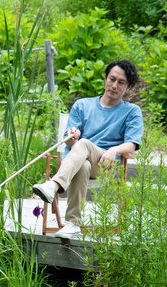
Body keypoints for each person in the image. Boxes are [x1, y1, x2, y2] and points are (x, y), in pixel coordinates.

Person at [32, 60, 143, 237]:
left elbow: (133, 143)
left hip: (105, 165)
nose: (114, 85)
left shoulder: (132, 111)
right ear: (105, 78)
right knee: (82, 162)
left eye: (121, 82)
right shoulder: (82, 105)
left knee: (84, 143)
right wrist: (71, 135)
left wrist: (113, 150)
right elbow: (70, 144)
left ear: (128, 87)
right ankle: (73, 223)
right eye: (112, 79)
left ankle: (53, 185)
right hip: (78, 163)